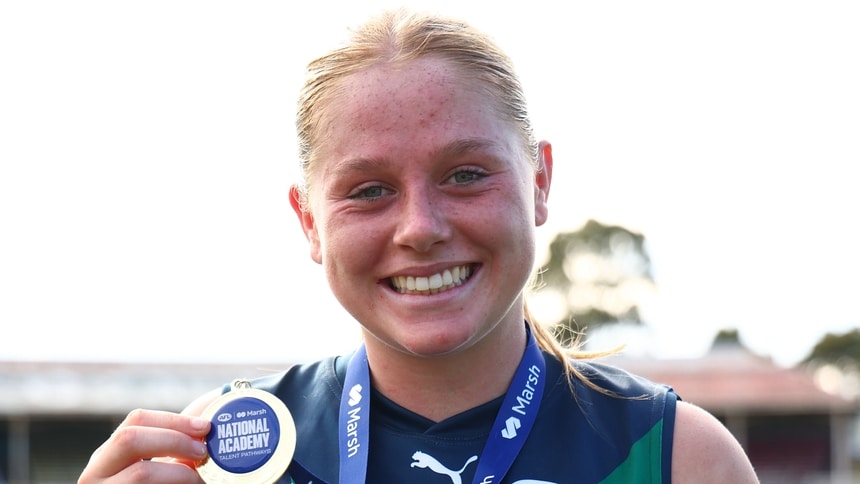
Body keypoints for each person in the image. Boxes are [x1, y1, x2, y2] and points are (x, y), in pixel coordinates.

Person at [79, 8, 759, 484]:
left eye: (465, 175)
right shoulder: (228, 452)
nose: (420, 227)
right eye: (369, 190)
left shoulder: (675, 457)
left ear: (540, 182)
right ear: (310, 222)